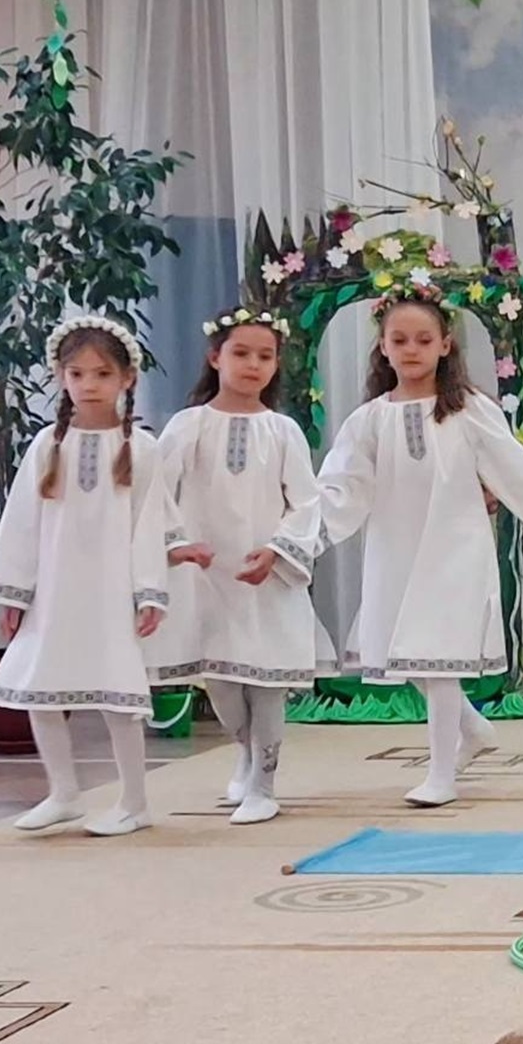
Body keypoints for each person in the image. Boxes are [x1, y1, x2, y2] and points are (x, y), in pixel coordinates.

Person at [317, 287, 523, 806]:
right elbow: (341, 486)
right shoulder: (368, 420)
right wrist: (299, 537)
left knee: (437, 657)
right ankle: (473, 728)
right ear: (383, 347)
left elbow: (515, 470)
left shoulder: (468, 411)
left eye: (423, 339)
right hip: (395, 550)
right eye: (399, 340)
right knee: (409, 655)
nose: (411, 349)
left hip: (455, 549)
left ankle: (441, 775)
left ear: (445, 345)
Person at [0, 315, 172, 836]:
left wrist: (149, 592)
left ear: (126, 378)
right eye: (77, 373)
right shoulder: (47, 445)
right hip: (54, 591)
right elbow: (22, 522)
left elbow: (151, 525)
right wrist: (15, 594)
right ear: (61, 377)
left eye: (102, 374)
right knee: (41, 687)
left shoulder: (143, 449)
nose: (89, 384)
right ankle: (63, 793)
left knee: (118, 698)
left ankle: (134, 802)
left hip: (112, 592)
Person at [146, 305, 334, 825]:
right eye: (242, 353)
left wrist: (278, 550)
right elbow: (156, 494)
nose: (253, 365)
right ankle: (246, 755)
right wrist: (179, 545)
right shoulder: (188, 426)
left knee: (267, 682)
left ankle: (264, 786)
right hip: (209, 580)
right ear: (216, 357)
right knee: (224, 684)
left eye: (265, 356)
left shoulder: (283, 431)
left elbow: (306, 502)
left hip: (269, 577)